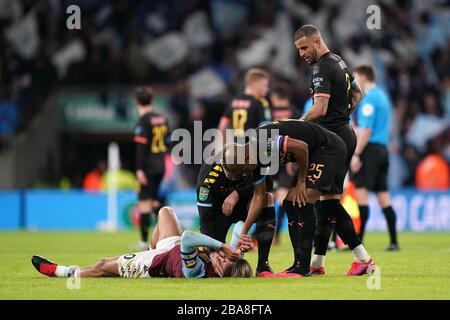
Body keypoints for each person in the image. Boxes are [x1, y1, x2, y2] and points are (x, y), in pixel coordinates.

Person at [224, 120, 376, 277]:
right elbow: (259, 196)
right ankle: (358, 260)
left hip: (328, 149)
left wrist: (302, 181)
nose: (246, 174)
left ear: (247, 159)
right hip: (318, 151)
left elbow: (301, 147)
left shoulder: (263, 142)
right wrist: (244, 232)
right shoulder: (251, 157)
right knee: (298, 203)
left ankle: (302, 267)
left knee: (301, 201)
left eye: (243, 170)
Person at [294, 24, 365, 275]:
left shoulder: (322, 67)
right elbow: (358, 93)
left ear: (316, 41)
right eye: (298, 49)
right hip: (344, 134)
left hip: (332, 139)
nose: (302, 53)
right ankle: (317, 264)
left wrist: (297, 127)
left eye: (304, 47)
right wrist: (342, 116)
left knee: (323, 202)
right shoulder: (339, 61)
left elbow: (319, 109)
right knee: (327, 200)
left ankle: (363, 259)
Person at [31, 207, 253, 279]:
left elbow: (188, 238)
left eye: (224, 262)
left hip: (155, 263)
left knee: (103, 265)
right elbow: (240, 224)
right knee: (165, 212)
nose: (223, 257)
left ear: (223, 274)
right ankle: (150, 247)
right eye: (226, 257)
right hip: (171, 250)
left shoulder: (196, 272)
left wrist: (221, 246)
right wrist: (238, 242)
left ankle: (64, 272)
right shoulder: (224, 260)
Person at [197, 151, 276, 277]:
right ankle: (235, 254)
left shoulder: (253, 161)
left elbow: (269, 185)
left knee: (267, 197)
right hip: (218, 210)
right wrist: (212, 250)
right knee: (216, 257)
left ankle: (263, 266)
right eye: (229, 176)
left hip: (243, 204)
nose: (232, 179)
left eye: (236, 176)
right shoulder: (208, 176)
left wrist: (238, 193)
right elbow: (205, 218)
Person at [351, 65, 400, 251]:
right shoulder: (383, 96)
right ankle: (394, 241)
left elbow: (367, 130)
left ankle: (358, 243)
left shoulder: (370, 99)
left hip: (369, 150)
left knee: (361, 196)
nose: (355, 81)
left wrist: (357, 154)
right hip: (382, 149)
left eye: (356, 77)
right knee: (383, 198)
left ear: (363, 77)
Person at [133, 86, 170, 250]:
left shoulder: (143, 121)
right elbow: (169, 142)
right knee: (155, 201)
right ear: (152, 101)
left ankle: (143, 241)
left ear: (136, 102)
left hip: (147, 167)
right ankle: (166, 237)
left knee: (144, 203)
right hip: (160, 165)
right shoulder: (163, 119)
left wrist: (139, 169)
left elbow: (141, 148)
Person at [269, 85, 300, 244]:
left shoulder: (270, 111)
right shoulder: (294, 112)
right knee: (280, 198)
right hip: (285, 157)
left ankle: (272, 233)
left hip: (274, 158)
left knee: (275, 197)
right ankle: (274, 233)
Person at [218, 68, 272, 139]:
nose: (267, 89)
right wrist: (268, 150)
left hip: (235, 146)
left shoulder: (234, 100)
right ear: (255, 84)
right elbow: (266, 130)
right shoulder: (261, 102)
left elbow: (222, 126)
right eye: (264, 85)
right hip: (252, 146)